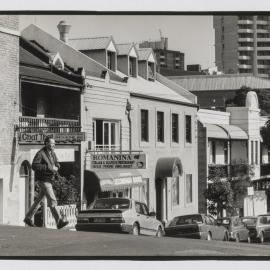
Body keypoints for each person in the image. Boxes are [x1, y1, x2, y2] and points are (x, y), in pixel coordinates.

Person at [23, 136, 69, 229]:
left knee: (38, 201)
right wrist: (48, 168)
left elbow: (57, 163)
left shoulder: (52, 153)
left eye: (54, 143)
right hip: (43, 180)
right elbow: (34, 166)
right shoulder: (41, 153)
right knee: (52, 200)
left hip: (49, 180)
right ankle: (59, 221)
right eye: (52, 143)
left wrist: (57, 166)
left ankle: (28, 218)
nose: (54, 145)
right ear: (47, 143)